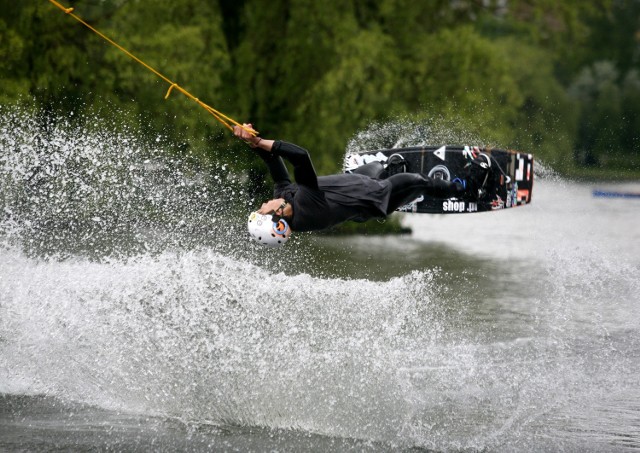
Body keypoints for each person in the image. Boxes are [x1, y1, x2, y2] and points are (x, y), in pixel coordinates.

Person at [234, 124, 490, 247]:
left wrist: (252, 141)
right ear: (278, 217)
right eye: (264, 209)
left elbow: (275, 165)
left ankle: (393, 169)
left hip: (358, 183)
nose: (264, 203)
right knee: (418, 182)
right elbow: (300, 156)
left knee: (381, 167)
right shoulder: (304, 208)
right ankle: (466, 187)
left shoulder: (284, 199)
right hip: (378, 198)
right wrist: (263, 142)